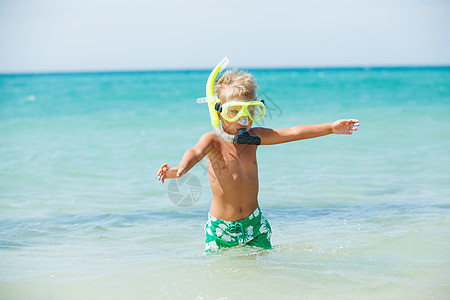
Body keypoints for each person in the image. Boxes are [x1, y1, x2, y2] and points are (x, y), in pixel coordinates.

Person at [157, 69, 359, 253]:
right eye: (234, 112)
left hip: (255, 222)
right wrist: (178, 170)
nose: (243, 119)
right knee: (220, 275)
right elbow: (195, 152)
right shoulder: (213, 140)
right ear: (219, 112)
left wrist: (331, 128)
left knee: (259, 275)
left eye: (250, 111)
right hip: (221, 227)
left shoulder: (253, 138)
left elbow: (292, 132)